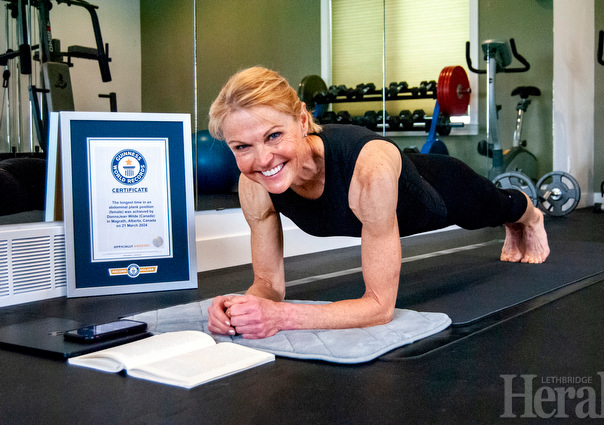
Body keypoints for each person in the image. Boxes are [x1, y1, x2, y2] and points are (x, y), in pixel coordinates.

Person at [207, 66, 549, 339]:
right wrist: (243, 307)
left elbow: (379, 306)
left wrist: (281, 317)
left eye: (273, 136)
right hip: (398, 182)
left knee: (495, 207)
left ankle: (531, 216)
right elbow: (268, 285)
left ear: (300, 119)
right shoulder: (253, 185)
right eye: (242, 147)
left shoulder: (367, 167)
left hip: (439, 188)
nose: (262, 159)